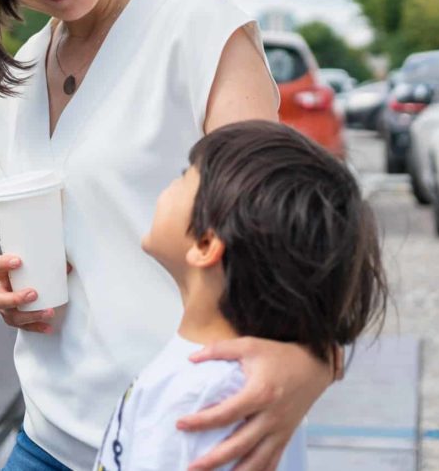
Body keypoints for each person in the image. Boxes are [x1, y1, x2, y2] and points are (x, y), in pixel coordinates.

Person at [0, 0, 343, 471]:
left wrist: (315, 356)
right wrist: (14, 292)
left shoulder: (196, 30)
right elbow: (77, 245)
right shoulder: (19, 80)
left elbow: (284, 228)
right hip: (49, 433)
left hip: (187, 435)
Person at [93, 120, 389, 470]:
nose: (171, 183)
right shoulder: (242, 385)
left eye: (185, 175)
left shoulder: (202, 400)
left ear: (206, 244)